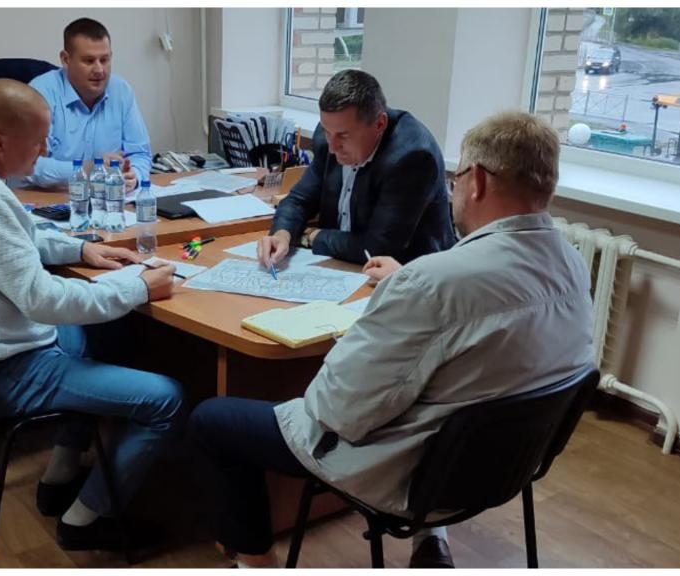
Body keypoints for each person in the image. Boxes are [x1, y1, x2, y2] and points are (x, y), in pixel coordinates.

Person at [191, 111, 595, 568]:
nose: (454, 190)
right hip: (507, 469)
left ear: (478, 180)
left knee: (213, 421)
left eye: (458, 178)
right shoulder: (572, 264)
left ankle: (257, 565)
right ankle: (431, 542)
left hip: (417, 477)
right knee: (438, 383)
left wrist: (396, 305)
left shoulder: (433, 283)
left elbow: (335, 410)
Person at [0, 78, 182, 551]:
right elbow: (43, 301)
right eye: (38, 141)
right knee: (166, 399)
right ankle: (85, 520)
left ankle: (61, 473)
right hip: (5, 371)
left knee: (96, 334)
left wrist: (82, 249)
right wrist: (139, 287)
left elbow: (18, 232)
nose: (47, 150)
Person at [257, 69, 456, 267]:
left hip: (408, 274)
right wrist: (282, 234)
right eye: (327, 132)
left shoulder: (412, 157)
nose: (333, 147)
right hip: (339, 263)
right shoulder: (330, 136)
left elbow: (378, 248)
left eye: (344, 136)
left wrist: (312, 237)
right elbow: (299, 200)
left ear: (380, 124)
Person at [21, 17, 150, 194]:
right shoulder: (41, 92)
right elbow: (28, 164)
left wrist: (134, 175)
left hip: (107, 200)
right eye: (89, 61)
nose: (99, 70)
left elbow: (140, 153)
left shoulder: (121, 91)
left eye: (104, 60)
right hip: (47, 199)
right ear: (66, 59)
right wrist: (87, 169)